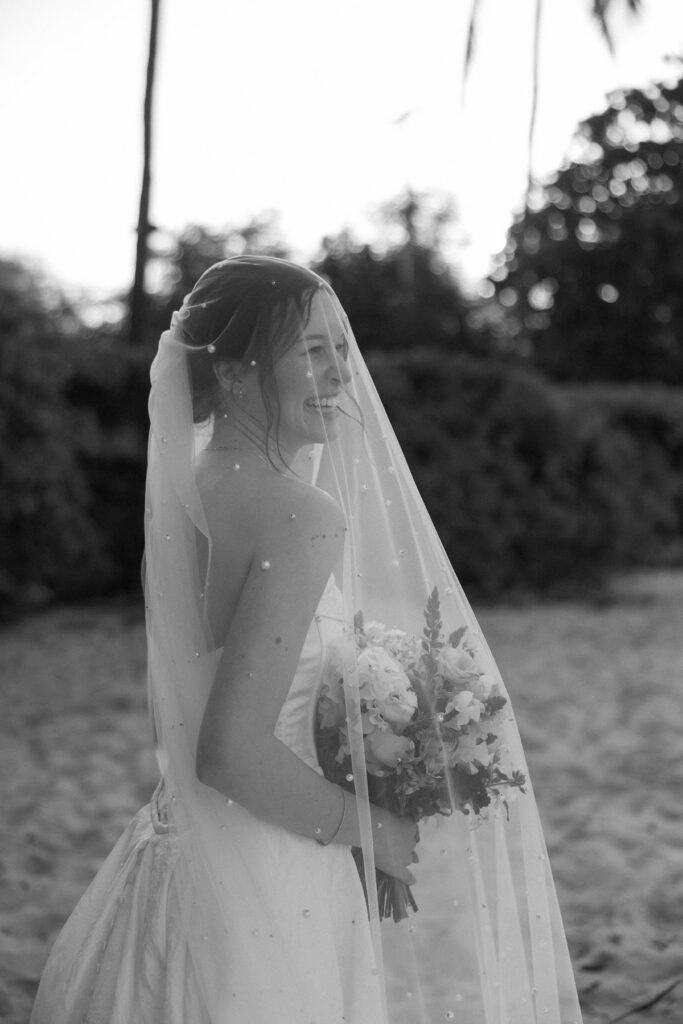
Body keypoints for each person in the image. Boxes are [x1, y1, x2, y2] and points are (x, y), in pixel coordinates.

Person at [30, 256, 583, 1024]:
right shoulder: (300, 512)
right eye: (312, 351)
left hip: (174, 854)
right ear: (229, 374)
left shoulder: (194, 483)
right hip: (266, 875)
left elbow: (188, 710)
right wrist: (373, 830)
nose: (339, 373)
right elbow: (228, 751)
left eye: (341, 349)